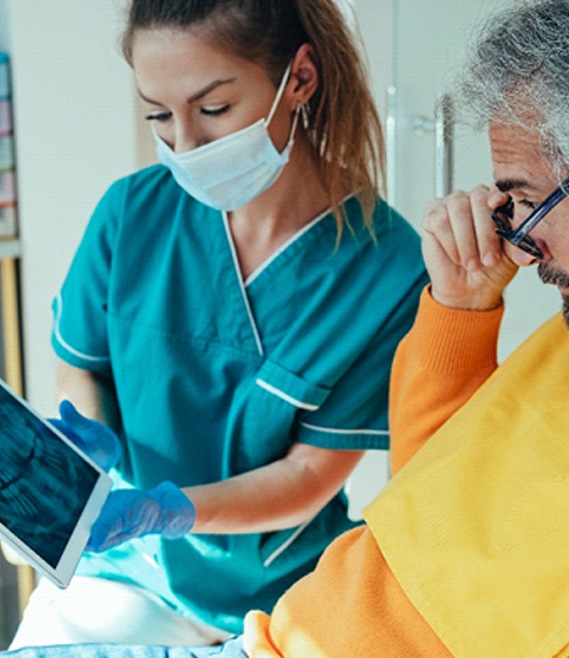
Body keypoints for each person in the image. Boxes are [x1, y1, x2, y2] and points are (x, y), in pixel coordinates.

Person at [5, 0, 569, 655]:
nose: (183, 146)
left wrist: (173, 508)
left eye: (212, 109)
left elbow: (312, 477)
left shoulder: (384, 266)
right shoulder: (132, 212)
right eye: (158, 115)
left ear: (298, 80)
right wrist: (84, 449)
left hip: (285, 589)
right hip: (134, 568)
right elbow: (82, 360)